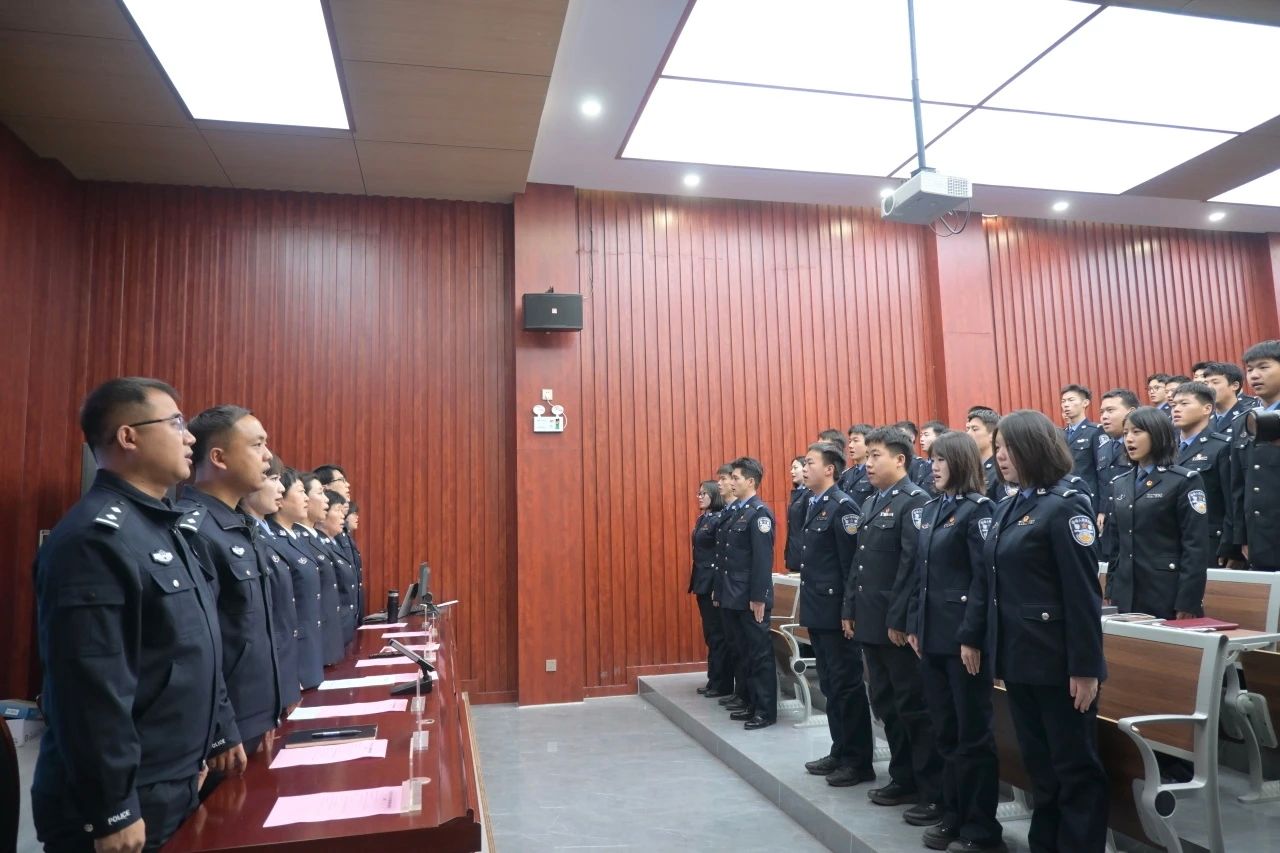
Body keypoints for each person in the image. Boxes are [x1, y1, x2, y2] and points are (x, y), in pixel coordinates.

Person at [32, 378, 243, 852]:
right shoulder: (94, 539)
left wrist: (211, 739)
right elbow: (89, 687)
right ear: (128, 437)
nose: (189, 437)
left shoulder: (162, 527)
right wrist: (114, 806)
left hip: (171, 777)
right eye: (175, 423)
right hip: (126, 797)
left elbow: (193, 649)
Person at [985, 411, 1108, 853]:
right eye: (997, 448)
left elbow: (1083, 596)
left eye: (1008, 448)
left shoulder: (1064, 505)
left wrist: (1086, 668)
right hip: (1020, 659)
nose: (1000, 457)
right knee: (1041, 766)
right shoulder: (1009, 506)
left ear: (1034, 448)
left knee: (1074, 768)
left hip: (1058, 663)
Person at [906, 432, 1003, 853]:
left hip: (963, 639)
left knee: (972, 734)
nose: (934, 467)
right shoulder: (932, 509)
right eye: (932, 460)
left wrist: (972, 635)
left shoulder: (978, 510)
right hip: (932, 637)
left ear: (961, 462)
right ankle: (952, 813)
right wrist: (915, 623)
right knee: (944, 729)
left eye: (942, 460)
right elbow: (922, 574)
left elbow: (984, 580)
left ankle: (981, 828)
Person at [842, 427, 941, 823]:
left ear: (900, 460)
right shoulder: (871, 502)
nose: (867, 463)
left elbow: (912, 568)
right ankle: (903, 777)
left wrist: (900, 619)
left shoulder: (914, 502)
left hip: (894, 626)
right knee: (886, 704)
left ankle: (930, 789)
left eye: (875, 456)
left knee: (912, 706)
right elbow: (860, 563)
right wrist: (849, 607)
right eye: (866, 456)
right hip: (870, 621)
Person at [180, 406, 282, 760]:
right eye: (257, 445)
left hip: (254, 713)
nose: (267, 456)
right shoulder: (195, 530)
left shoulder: (239, 524)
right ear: (219, 458)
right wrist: (221, 729)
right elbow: (195, 645)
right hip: (225, 727)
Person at [796, 441, 875, 787]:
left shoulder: (843, 507)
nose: (804, 468)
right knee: (829, 684)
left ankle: (858, 761)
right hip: (818, 610)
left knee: (846, 686)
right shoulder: (815, 504)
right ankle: (840, 750)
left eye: (810, 463)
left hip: (836, 613)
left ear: (829, 469)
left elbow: (851, 566)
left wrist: (849, 611)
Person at [1103, 407, 1208, 619]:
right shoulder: (1120, 483)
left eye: (1137, 432)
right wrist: (1111, 589)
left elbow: (1195, 547)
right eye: (1126, 433)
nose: (1129, 439)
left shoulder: (1183, 481)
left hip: (1165, 592)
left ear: (1157, 434)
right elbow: (1116, 546)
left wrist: (1188, 601)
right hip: (1126, 592)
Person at [716, 457, 777, 729]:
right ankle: (751, 703)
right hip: (734, 594)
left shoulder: (759, 513)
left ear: (750, 482)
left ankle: (765, 710)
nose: (731, 482)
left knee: (759, 654)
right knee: (744, 652)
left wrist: (759, 596)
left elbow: (762, 559)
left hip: (750, 597)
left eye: (736, 478)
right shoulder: (738, 512)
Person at [240, 457, 301, 716]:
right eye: (273, 478)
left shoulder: (267, 532)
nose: (281, 488)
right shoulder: (242, 531)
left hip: (285, 671)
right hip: (258, 688)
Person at [267, 468, 326, 690]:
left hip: (311, 650)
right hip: (293, 655)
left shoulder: (298, 538)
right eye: (301, 492)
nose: (306, 499)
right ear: (281, 500)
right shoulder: (272, 539)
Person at [1227, 340, 1280, 571]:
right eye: (1249, 370)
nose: (1254, 375)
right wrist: (1242, 537)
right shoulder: (1242, 422)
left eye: (1263, 367)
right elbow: (1238, 486)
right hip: (1260, 537)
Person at [1170, 382, 1232, 564]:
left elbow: (1232, 501)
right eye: (1174, 405)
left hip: (1209, 542)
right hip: (1171, 544)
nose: (1176, 409)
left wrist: (1230, 546)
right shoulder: (1166, 450)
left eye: (1184, 403)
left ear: (1207, 408)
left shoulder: (1221, 447)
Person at [295, 473, 345, 664]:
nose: (326, 499)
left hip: (329, 640)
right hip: (312, 645)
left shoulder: (316, 538)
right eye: (319, 493)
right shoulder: (299, 539)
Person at [689, 481, 731, 698]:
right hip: (701, 581)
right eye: (699, 493)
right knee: (710, 633)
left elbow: (720, 556)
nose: (699, 496)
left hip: (712, 582)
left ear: (714, 495)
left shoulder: (717, 520)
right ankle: (714, 678)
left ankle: (721, 682)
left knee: (717, 634)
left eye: (704, 493)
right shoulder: (703, 519)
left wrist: (717, 585)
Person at [1095, 389, 1138, 565]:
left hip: (1134, 527)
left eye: (1110, 410)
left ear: (1131, 412)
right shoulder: (1103, 447)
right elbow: (1103, 484)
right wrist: (1102, 510)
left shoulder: (1140, 445)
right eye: (1102, 412)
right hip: (1109, 528)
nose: (1104, 416)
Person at [316, 489, 358, 643]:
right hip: (333, 628)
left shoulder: (335, 543)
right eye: (337, 510)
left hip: (345, 624)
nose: (343, 516)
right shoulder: (318, 545)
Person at [1060, 385, 1102, 502]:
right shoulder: (1060, 434)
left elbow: (1102, 471)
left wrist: (1103, 506)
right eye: (1063, 401)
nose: (1066, 404)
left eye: (1071, 400)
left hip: (1087, 497)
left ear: (1085, 403)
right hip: (1064, 496)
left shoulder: (1095, 431)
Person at [1202, 361, 1255, 438]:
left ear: (1235, 385)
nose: (1209, 388)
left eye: (1215, 382)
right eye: (1206, 384)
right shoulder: (1203, 420)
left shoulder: (1249, 417)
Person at [965, 409, 1006, 502]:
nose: (968, 434)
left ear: (992, 434)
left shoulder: (1001, 469)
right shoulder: (969, 468)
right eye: (968, 429)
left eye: (975, 429)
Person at [839, 423, 875, 505]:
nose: (850, 445)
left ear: (868, 443)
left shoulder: (876, 472)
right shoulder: (846, 474)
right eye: (850, 441)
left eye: (855, 441)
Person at [785, 455, 808, 572]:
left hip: (804, 556)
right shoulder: (797, 493)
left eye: (795, 468)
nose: (791, 471)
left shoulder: (810, 494)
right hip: (794, 553)